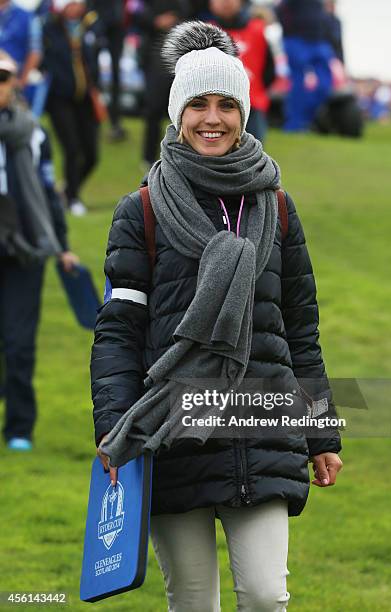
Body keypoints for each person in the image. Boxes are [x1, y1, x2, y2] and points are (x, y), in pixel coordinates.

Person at [92, 21, 343, 610]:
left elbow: (301, 331)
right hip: (171, 433)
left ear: (244, 112)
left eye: (227, 104)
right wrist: (112, 424)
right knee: (193, 601)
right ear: (178, 113)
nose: (213, 118)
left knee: (264, 594)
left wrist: (322, 430)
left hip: (263, 426)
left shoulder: (277, 206)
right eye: (198, 104)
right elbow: (118, 330)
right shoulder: (142, 210)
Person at [0, 51, 79, 451]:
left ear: (15, 82)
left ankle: (18, 428)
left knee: (19, 342)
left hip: (26, 250)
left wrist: (62, 246)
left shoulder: (34, 134)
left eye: (3, 77)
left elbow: (48, 195)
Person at [42, 0, 101, 216]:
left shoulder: (90, 25)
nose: (76, 7)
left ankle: (67, 189)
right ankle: (73, 197)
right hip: (59, 98)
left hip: (86, 98)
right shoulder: (47, 28)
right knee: (72, 149)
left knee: (92, 154)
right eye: (71, 3)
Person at [131, 0, 190, 169]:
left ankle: (183, 155)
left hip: (180, 53)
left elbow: (190, 13)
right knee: (153, 109)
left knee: (182, 110)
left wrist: (175, 19)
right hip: (154, 53)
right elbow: (135, 13)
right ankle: (149, 157)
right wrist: (155, 21)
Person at [208, 0, 275, 142]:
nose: (225, 3)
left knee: (253, 156)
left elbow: (269, 68)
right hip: (216, 105)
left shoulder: (257, 30)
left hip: (252, 104)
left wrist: (258, 91)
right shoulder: (206, 32)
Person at [276, 0, 334, 131]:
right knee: (298, 85)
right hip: (296, 40)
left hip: (319, 40)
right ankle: (294, 124)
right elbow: (280, 10)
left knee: (325, 86)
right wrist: (290, 32)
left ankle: (306, 118)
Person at [88, 0, 128, 142]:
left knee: (114, 77)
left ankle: (114, 122)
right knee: (93, 74)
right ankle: (95, 118)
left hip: (115, 23)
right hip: (99, 21)